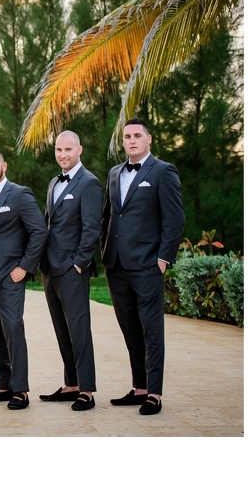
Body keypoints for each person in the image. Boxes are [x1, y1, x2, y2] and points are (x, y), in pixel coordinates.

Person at [101, 118, 184, 415]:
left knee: (151, 329)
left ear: (149, 139)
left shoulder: (163, 171)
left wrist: (163, 259)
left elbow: (174, 220)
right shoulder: (113, 174)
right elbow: (109, 216)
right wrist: (104, 251)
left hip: (148, 265)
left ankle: (155, 393)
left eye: (138, 135)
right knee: (130, 329)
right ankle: (140, 387)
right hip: (116, 264)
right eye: (127, 136)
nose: (132, 140)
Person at [0, 149, 47, 410]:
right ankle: (2, 386)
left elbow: (39, 231)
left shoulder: (19, 194)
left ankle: (21, 390)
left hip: (9, 276)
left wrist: (25, 267)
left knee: (13, 330)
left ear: (4, 165)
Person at [38, 132, 102, 411]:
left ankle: (86, 389)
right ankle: (71, 383)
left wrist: (79, 263)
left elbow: (92, 228)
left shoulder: (89, 183)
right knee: (62, 330)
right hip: (50, 269)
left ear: (80, 149)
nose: (63, 154)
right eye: (58, 149)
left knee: (79, 329)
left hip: (72, 269)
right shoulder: (54, 182)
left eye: (68, 149)